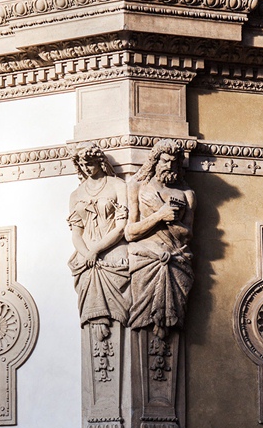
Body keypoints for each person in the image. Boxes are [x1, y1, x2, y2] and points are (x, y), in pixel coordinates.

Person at [125, 139, 196, 338]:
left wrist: (167, 217)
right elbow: (130, 232)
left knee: (172, 323)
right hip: (146, 260)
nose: (170, 166)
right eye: (165, 161)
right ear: (155, 161)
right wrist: (159, 215)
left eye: (174, 162)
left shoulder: (187, 194)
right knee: (143, 320)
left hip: (177, 260)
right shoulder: (137, 187)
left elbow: (188, 234)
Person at [67, 142, 129, 339]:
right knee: (90, 277)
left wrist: (96, 250)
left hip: (112, 249)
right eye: (83, 165)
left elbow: (121, 227)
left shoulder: (117, 185)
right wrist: (87, 254)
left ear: (100, 162)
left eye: (90, 163)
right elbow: (76, 233)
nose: (86, 168)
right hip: (85, 255)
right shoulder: (76, 194)